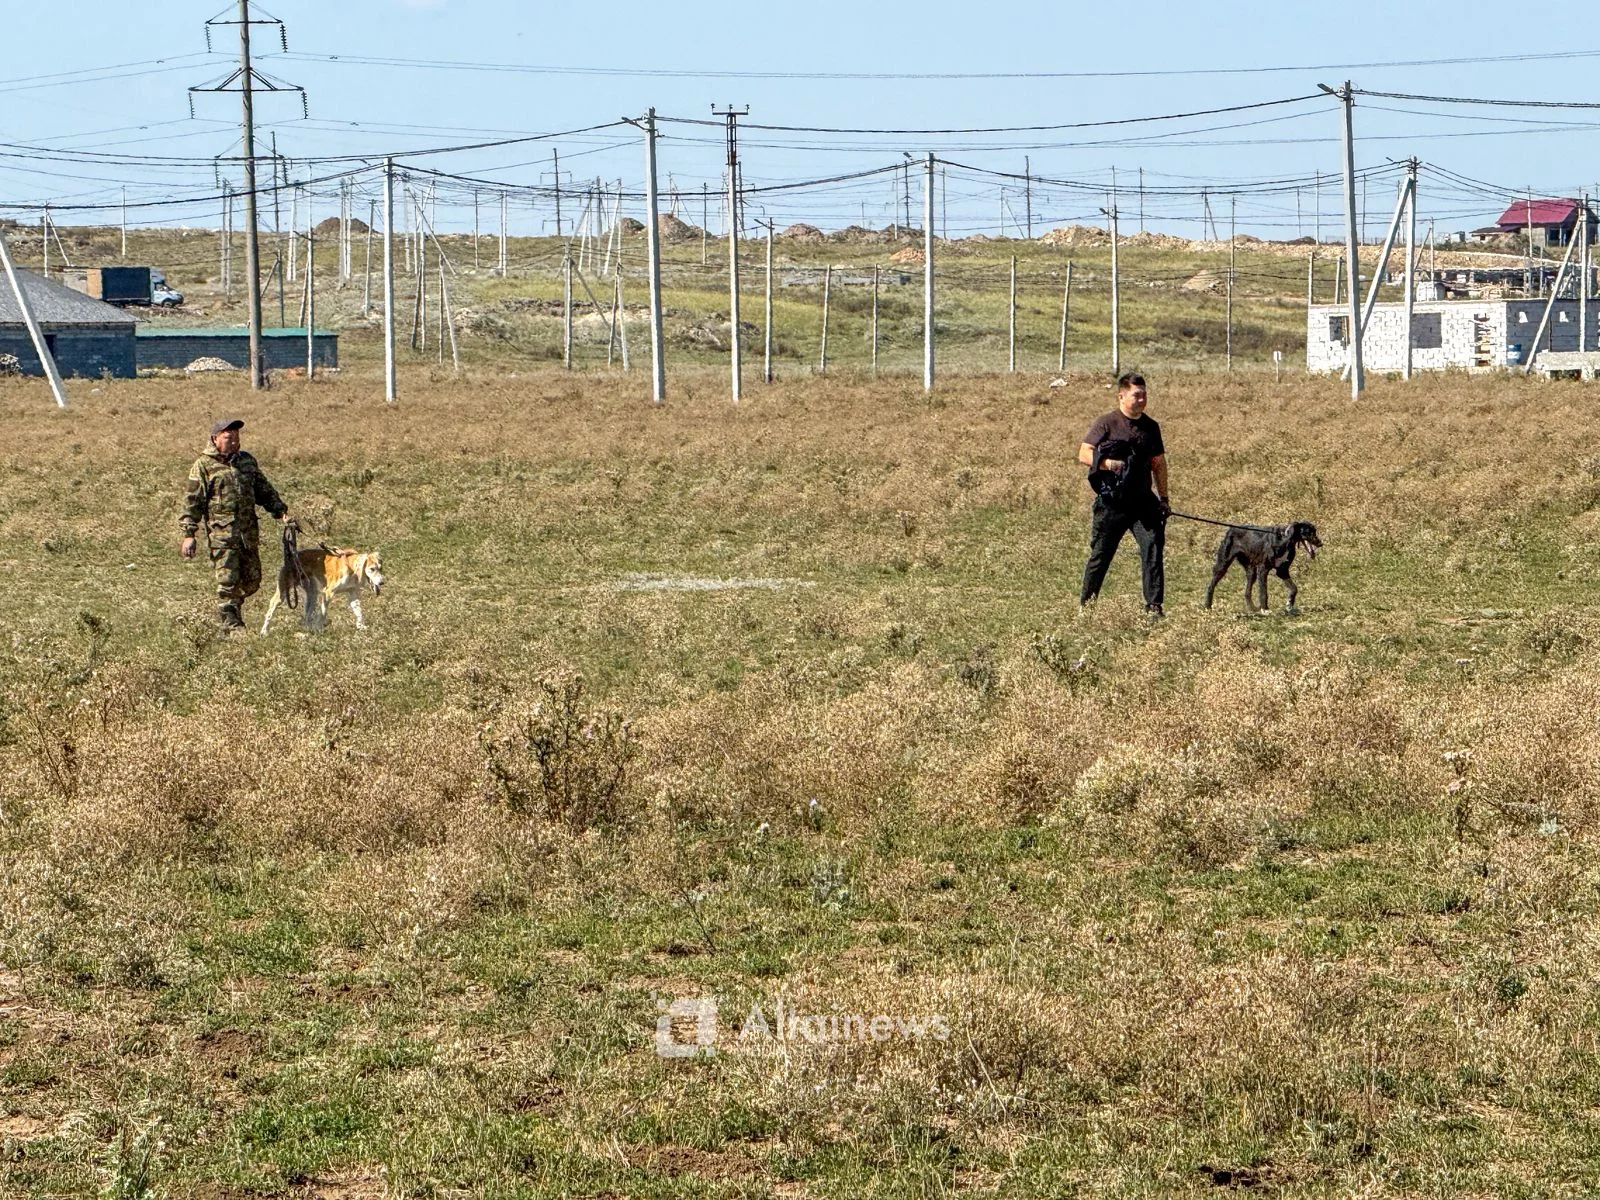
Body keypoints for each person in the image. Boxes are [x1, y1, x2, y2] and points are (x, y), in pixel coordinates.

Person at [179, 418, 292, 632]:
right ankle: (231, 625)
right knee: (228, 581)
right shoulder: (203, 465)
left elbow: (263, 490)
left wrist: (281, 511)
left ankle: (233, 609)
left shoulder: (246, 462)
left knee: (252, 580)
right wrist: (189, 534)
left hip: (248, 535)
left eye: (236, 437)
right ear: (215, 439)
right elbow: (193, 501)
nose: (234, 442)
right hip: (222, 536)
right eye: (228, 437)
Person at [1076, 373, 1170, 616]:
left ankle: (1153, 607)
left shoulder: (1151, 427)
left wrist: (1164, 499)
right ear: (1121, 396)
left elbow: (1159, 464)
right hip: (1112, 503)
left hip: (1143, 502)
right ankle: (1086, 607)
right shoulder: (1106, 423)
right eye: (1136, 395)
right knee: (1101, 554)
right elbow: (1084, 453)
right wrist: (1107, 463)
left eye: (1144, 394)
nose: (1142, 399)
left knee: (1153, 548)